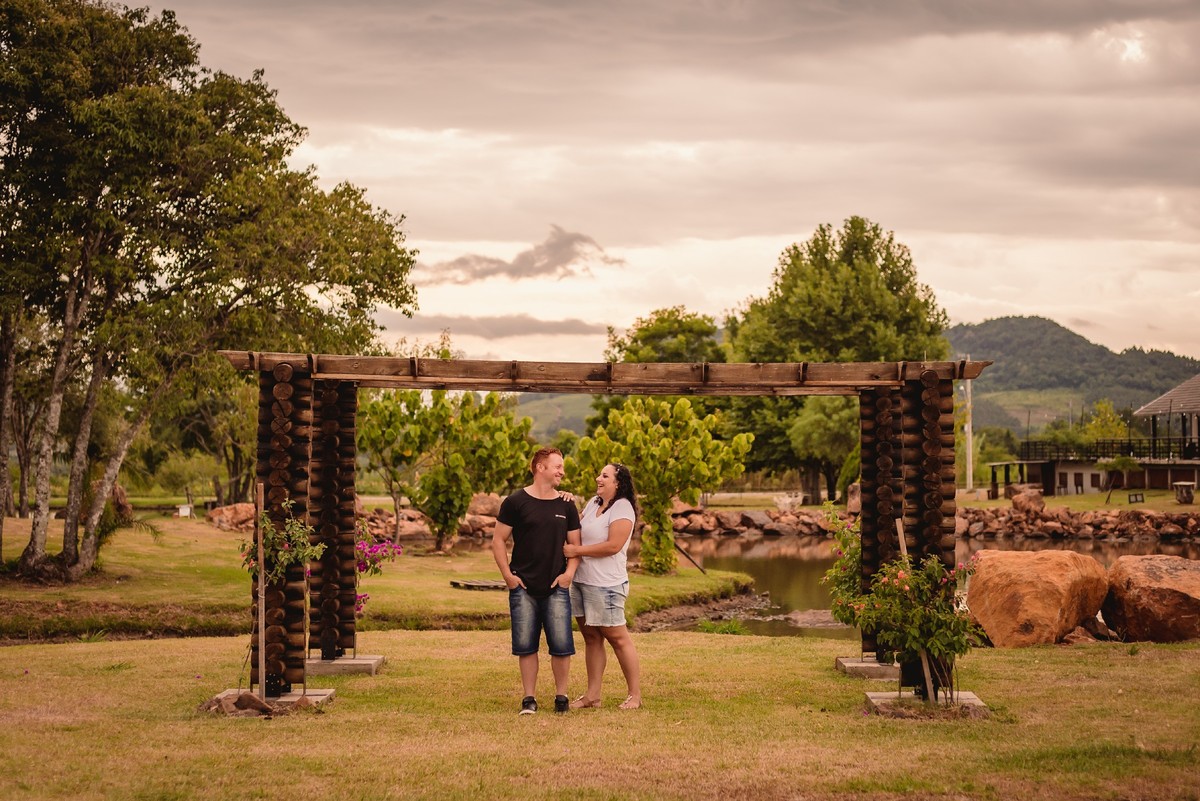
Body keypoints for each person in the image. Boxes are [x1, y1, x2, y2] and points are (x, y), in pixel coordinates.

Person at [491, 446, 582, 715]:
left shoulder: (566, 504)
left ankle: (561, 698)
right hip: (523, 587)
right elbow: (498, 541)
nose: (562, 472)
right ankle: (528, 699)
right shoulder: (515, 502)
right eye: (558, 466)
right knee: (526, 645)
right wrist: (508, 576)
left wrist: (568, 575)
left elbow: (575, 544)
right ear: (540, 467)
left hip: (557, 587)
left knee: (562, 645)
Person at [563, 462, 642, 710]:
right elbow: (576, 526)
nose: (598, 478)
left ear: (617, 483)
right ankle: (592, 696)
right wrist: (566, 502)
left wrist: (577, 551)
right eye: (599, 474)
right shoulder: (593, 503)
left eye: (605, 476)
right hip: (582, 581)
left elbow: (613, 546)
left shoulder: (623, 507)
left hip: (606, 585)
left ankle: (635, 696)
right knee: (591, 637)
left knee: (618, 638)